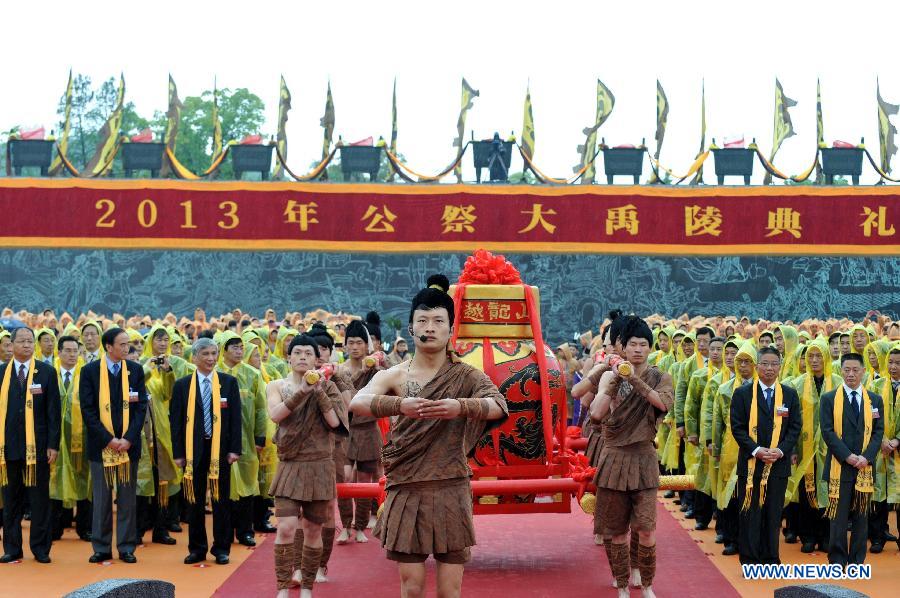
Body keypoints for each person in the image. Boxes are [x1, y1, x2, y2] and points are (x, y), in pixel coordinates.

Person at [350, 274, 508, 598]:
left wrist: (460, 407)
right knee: (412, 588)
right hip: (406, 487)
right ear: (411, 328)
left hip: (451, 485)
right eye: (422, 320)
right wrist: (399, 405)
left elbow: (498, 405)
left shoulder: (466, 376)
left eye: (439, 320)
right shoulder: (394, 374)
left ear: (451, 329)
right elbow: (358, 402)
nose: (430, 327)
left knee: (450, 591)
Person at [589, 315, 673, 598]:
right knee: (617, 531)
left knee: (646, 529)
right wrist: (613, 380)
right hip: (613, 458)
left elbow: (662, 404)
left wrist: (634, 380)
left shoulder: (661, 377)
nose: (637, 349)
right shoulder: (609, 376)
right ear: (622, 348)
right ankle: (623, 584)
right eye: (632, 344)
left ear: (650, 348)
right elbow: (596, 414)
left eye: (643, 344)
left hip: (644, 459)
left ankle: (647, 585)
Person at [266, 335, 348, 598]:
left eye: (308, 353)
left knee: (313, 529)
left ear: (317, 359)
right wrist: (302, 390)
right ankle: (282, 586)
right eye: (297, 352)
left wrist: (319, 390)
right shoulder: (276, 385)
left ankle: (307, 587)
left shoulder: (329, 387)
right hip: (290, 464)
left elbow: (335, 422)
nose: (302, 356)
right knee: (286, 526)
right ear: (288, 357)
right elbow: (276, 415)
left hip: (319, 466)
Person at [79, 327, 148, 564]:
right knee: (102, 498)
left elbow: (140, 408)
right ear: (108, 347)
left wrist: (128, 438)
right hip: (102, 446)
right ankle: (101, 546)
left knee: (128, 498)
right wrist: (108, 439)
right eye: (122, 344)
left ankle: (127, 546)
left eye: (128, 344)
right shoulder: (89, 372)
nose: (127, 348)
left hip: (129, 446)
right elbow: (87, 410)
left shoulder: (136, 370)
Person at [170, 338, 242, 565]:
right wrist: (178, 453)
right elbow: (177, 422)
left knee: (221, 502)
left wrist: (234, 449)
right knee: (194, 502)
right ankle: (197, 548)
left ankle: (221, 548)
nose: (211, 358)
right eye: (205, 354)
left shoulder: (228, 383)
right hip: (193, 450)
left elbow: (235, 419)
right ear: (194, 358)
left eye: (214, 353)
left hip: (220, 449)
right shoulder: (182, 385)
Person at [729, 346, 801, 565]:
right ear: (756, 366)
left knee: (773, 513)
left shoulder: (789, 394)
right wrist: (757, 450)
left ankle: (771, 558)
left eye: (774, 364)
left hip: (778, 464)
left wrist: (780, 451)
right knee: (750, 512)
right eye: (765, 364)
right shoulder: (743, 393)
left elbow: (795, 427)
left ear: (780, 367)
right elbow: (737, 427)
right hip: (752, 463)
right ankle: (750, 559)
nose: (769, 369)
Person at [0, 327, 61, 563]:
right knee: (11, 501)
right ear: (11, 344)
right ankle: (12, 548)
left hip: (38, 447)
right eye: (22, 341)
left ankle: (40, 548)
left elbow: (53, 412)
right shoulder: (2, 373)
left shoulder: (45, 372)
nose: (26, 345)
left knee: (39, 501)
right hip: (9, 448)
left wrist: (53, 445)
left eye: (30, 341)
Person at [820, 353, 884, 567]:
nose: (851, 374)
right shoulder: (829, 398)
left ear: (863, 372)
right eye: (847, 369)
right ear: (841, 371)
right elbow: (827, 432)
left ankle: (857, 559)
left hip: (864, 467)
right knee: (837, 517)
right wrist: (848, 456)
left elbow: (878, 432)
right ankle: (837, 558)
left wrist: (866, 457)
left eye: (855, 370)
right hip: (840, 465)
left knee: (861, 516)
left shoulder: (875, 400)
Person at [216, 331, 267, 548]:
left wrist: (260, 437)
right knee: (224, 489)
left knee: (247, 485)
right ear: (223, 350)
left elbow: (261, 409)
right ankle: (225, 532)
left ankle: (245, 531)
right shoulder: (214, 374)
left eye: (240, 347)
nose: (239, 351)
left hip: (246, 440)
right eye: (234, 347)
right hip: (220, 441)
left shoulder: (252, 374)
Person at [337, 319, 384, 543]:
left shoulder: (376, 371)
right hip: (344, 432)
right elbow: (347, 401)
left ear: (367, 345)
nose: (355, 347)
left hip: (368, 430)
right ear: (345, 345)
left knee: (365, 481)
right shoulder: (339, 370)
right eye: (350, 343)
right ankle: (345, 525)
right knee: (344, 478)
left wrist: (375, 367)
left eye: (359, 343)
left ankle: (360, 527)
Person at [49, 335, 92, 543]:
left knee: (84, 479)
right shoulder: (50, 374)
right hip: (55, 438)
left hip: (81, 436)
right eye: (67, 350)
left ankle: (85, 527)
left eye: (75, 351)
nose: (72, 355)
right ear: (59, 352)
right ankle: (56, 526)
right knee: (55, 478)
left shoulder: (86, 375)